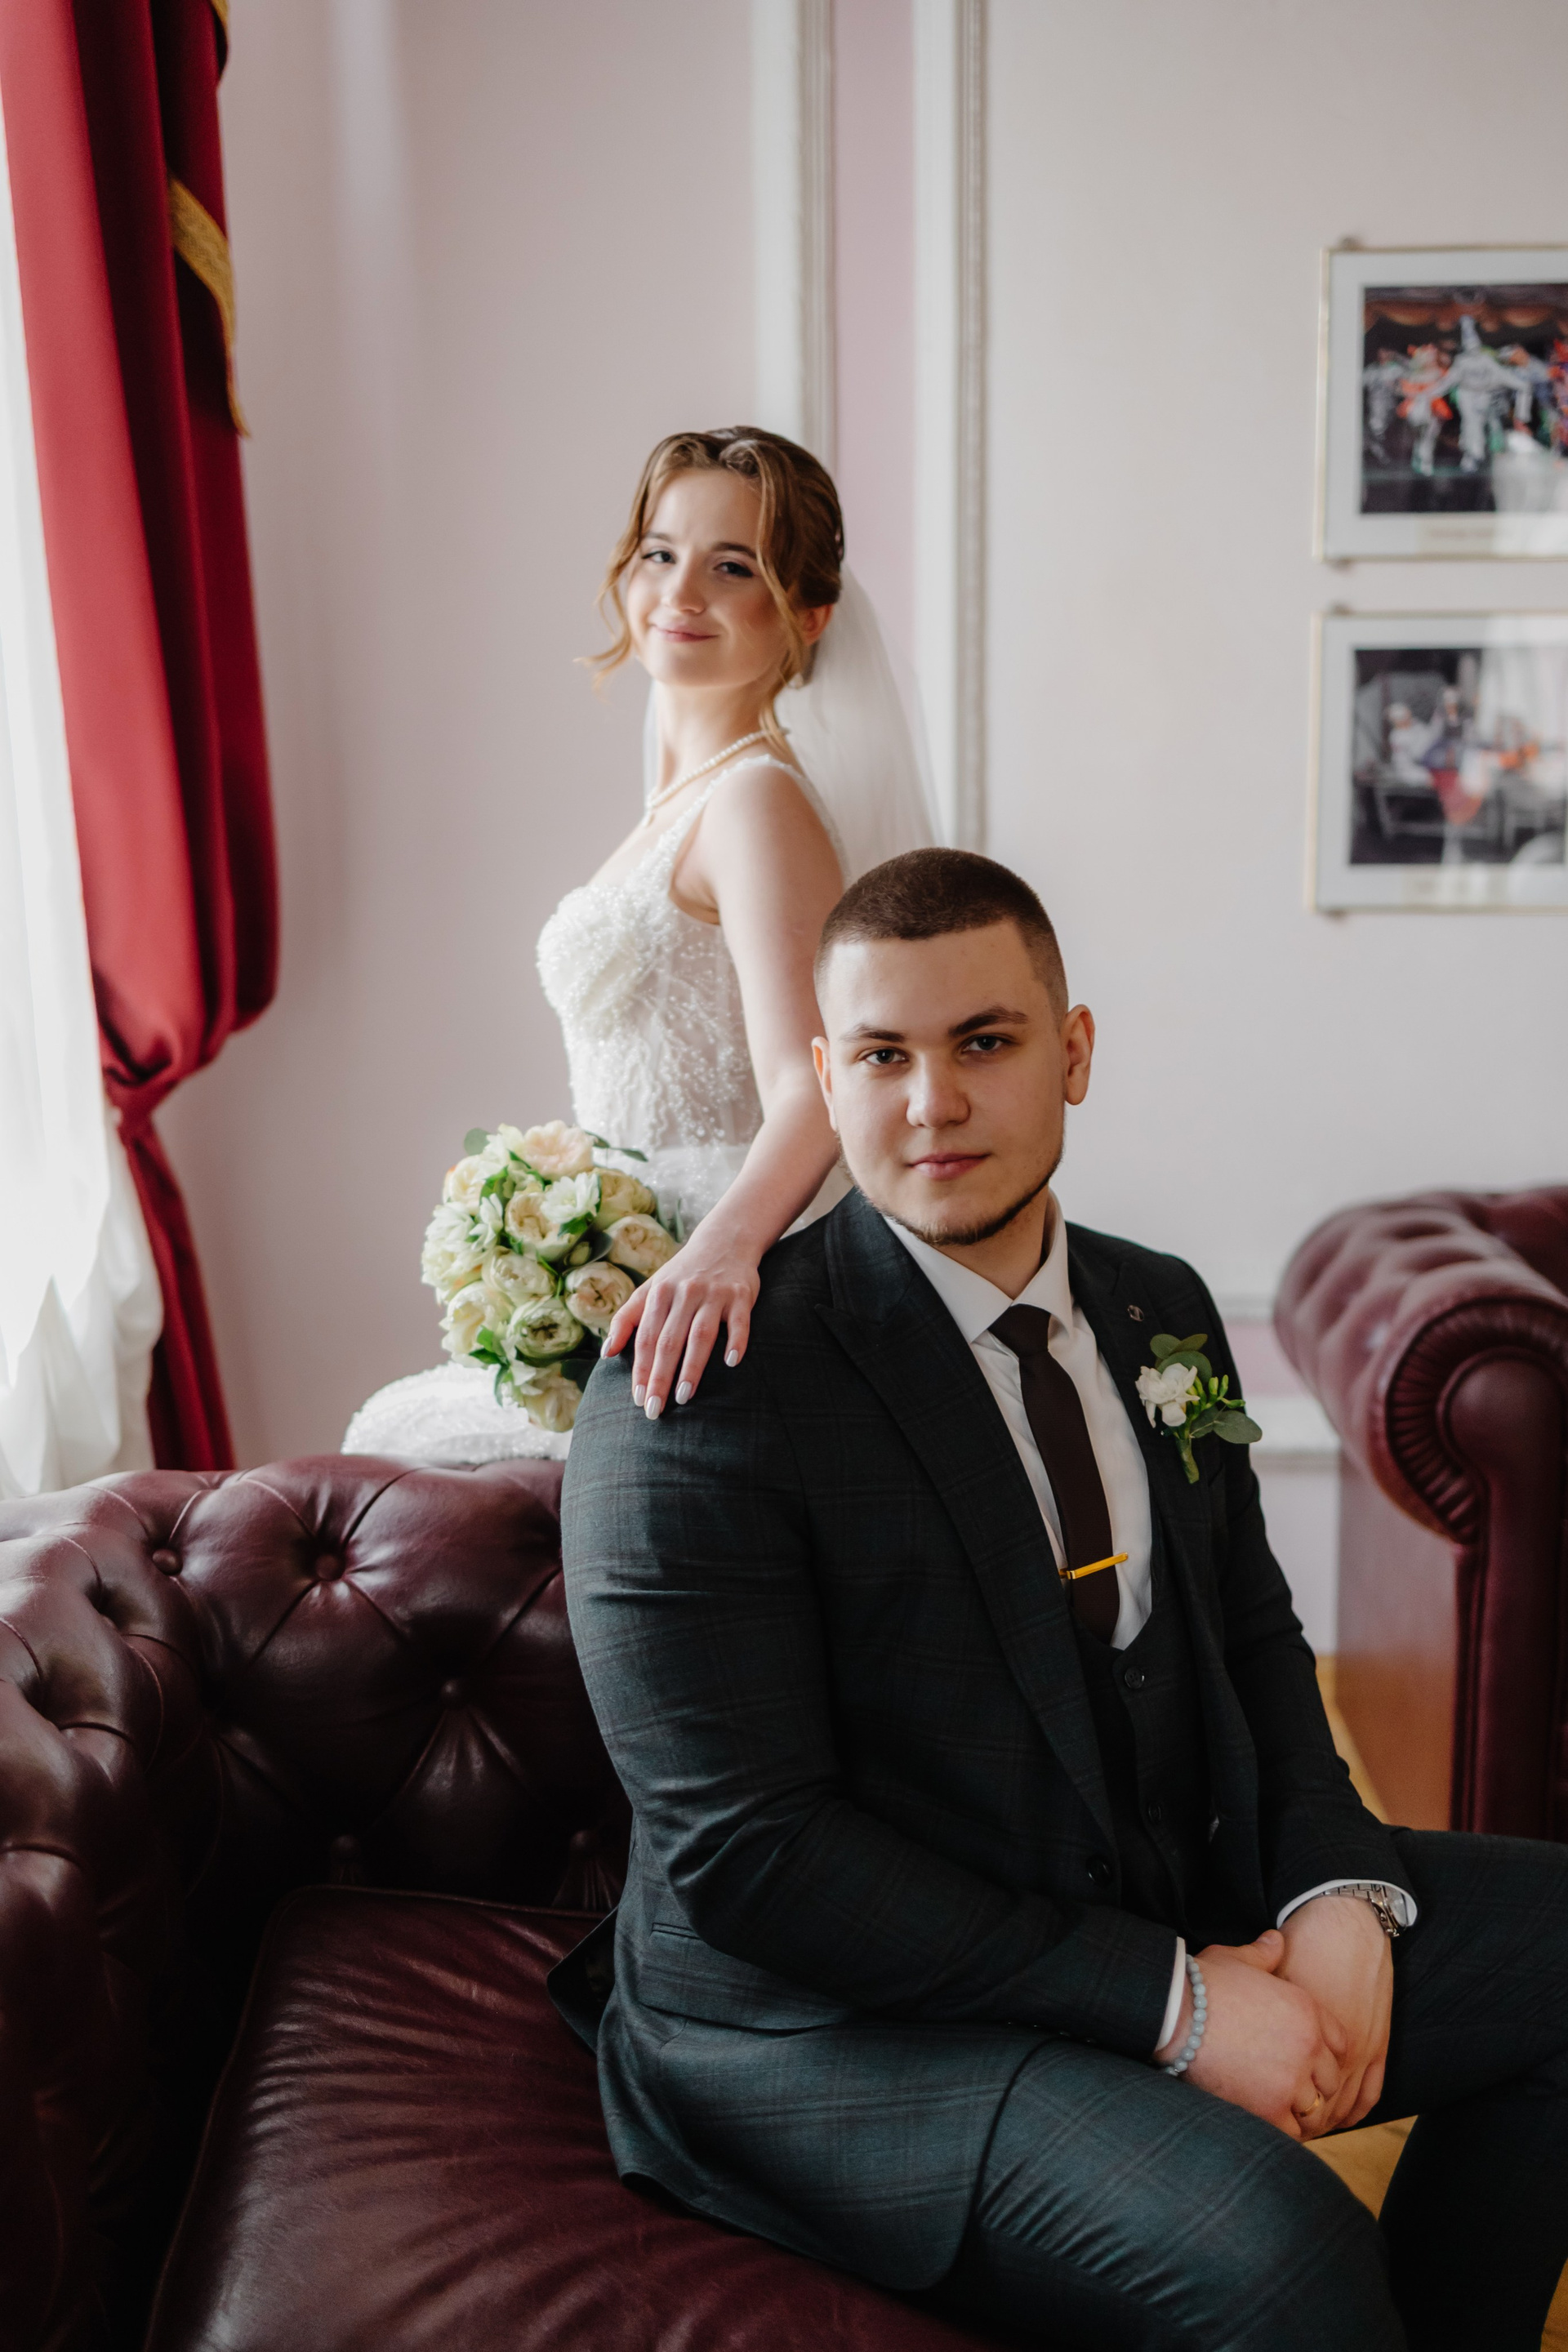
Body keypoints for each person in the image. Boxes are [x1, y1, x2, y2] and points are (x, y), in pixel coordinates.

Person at [555, 848, 1568, 2352]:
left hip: (1139, 1883)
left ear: (1074, 1053)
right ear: (825, 1080)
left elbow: (1251, 1637)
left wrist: (1338, 1892)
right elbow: (754, 1858)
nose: (932, 1103)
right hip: (840, 2027)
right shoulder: (700, 1396)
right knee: (1283, 2256)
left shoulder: (1161, 1307)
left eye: (985, 1041)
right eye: (882, 1057)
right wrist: (1180, 2004)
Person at [345, 428, 930, 1463]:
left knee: (396, 1440)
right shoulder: (679, 806)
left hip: (711, 1279)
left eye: (733, 566)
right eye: (661, 553)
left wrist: (714, 1256)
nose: (682, 590)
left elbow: (816, 1084)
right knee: (391, 1435)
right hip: (636, 1258)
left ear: (807, 616)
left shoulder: (754, 801)